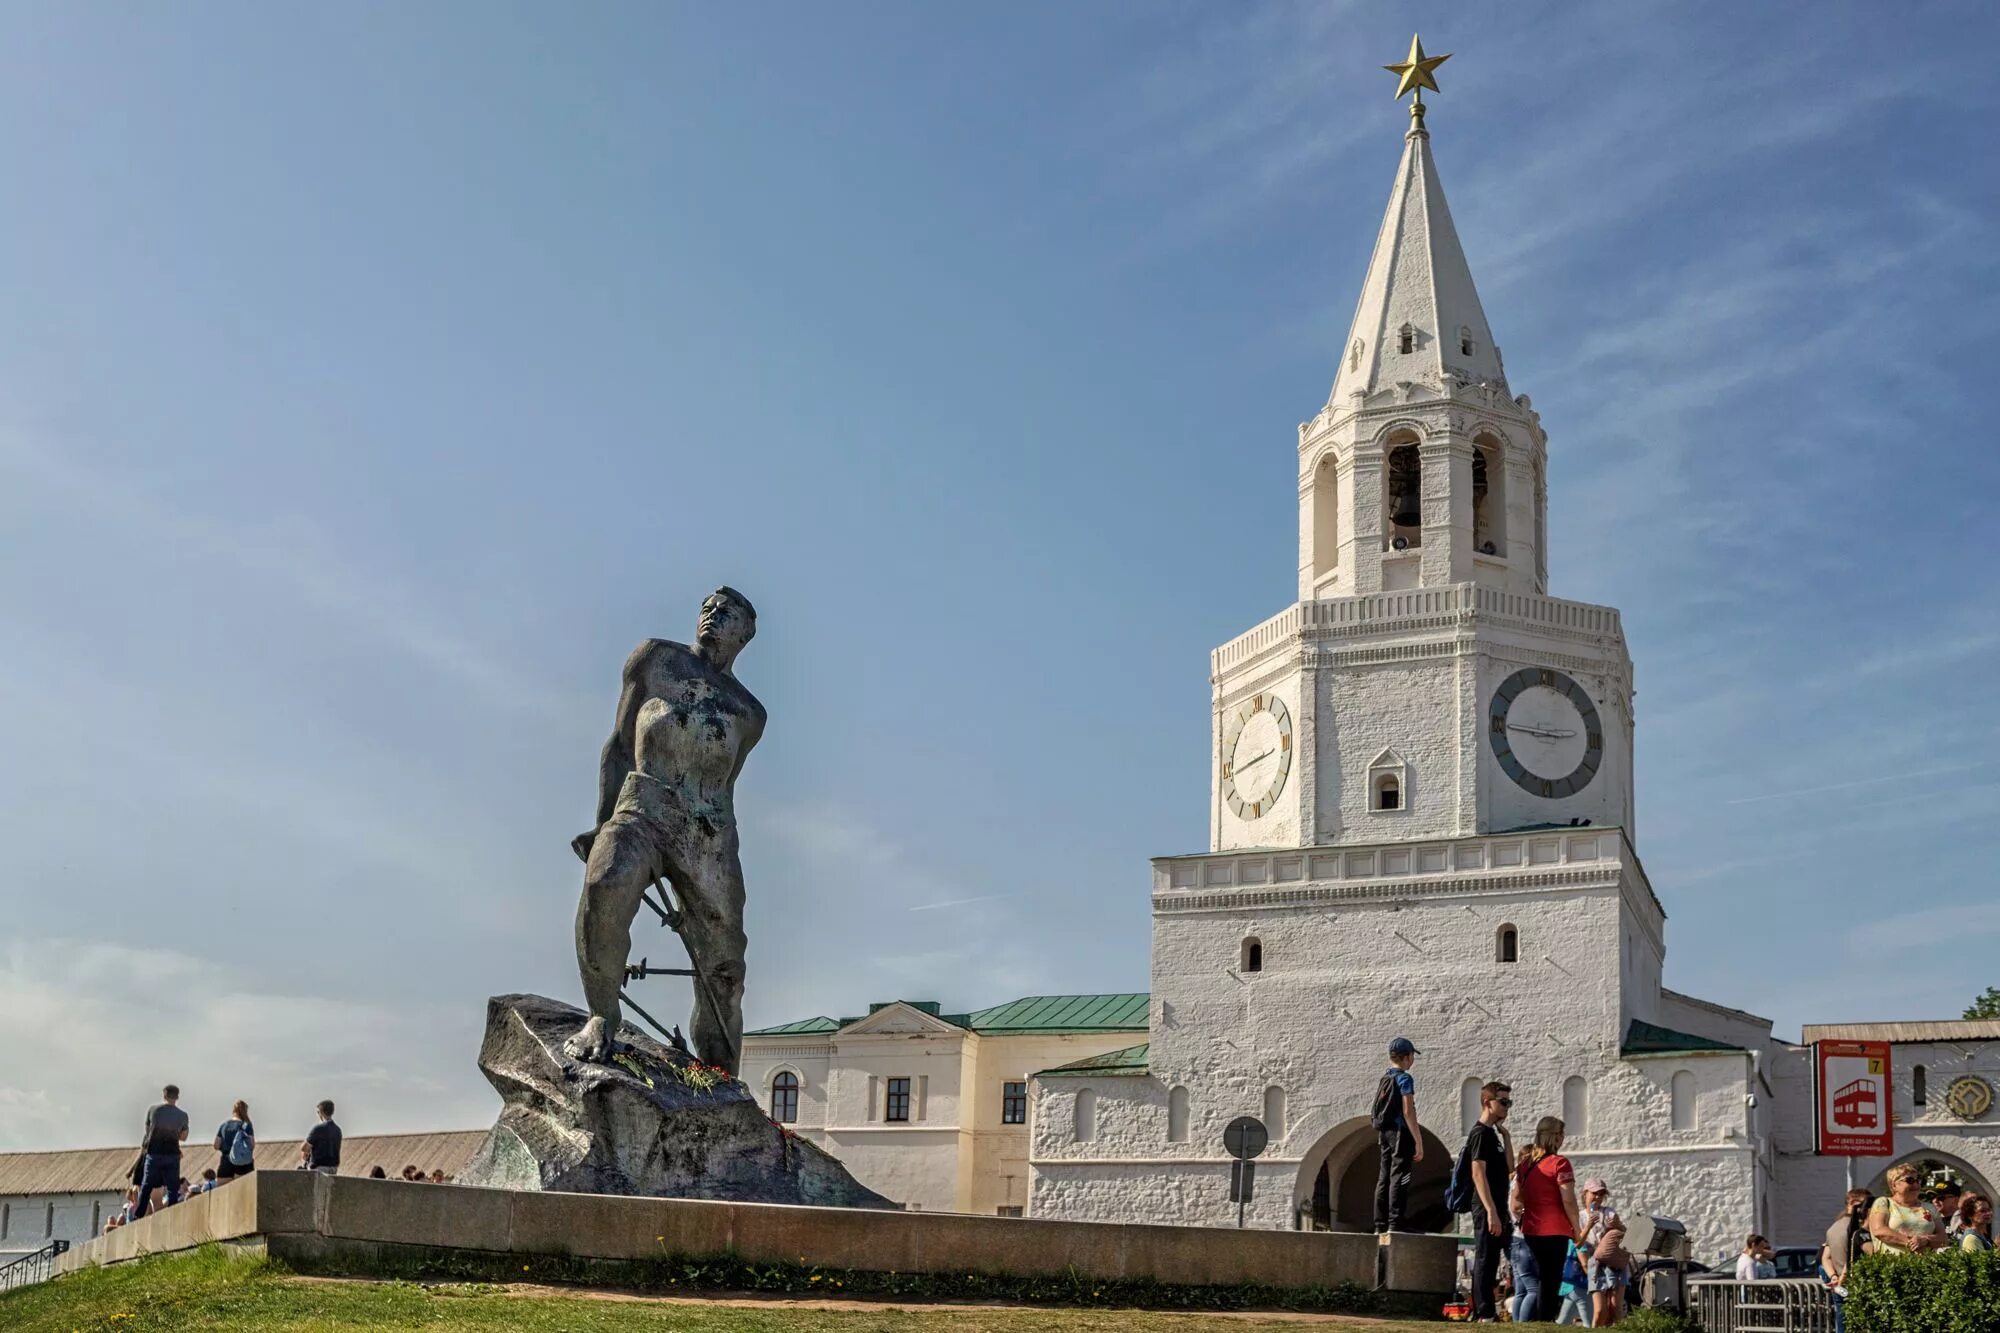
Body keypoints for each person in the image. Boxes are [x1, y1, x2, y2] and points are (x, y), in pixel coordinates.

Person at [566, 588, 765, 1073]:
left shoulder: (750, 712)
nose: (712, 616)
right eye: (708, 608)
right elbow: (618, 746)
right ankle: (602, 1016)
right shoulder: (656, 659)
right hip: (643, 805)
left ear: (746, 633)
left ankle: (720, 1071)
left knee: (724, 965)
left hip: (708, 833)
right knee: (604, 885)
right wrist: (602, 823)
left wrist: (713, 853)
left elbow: (726, 780)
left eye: (727, 613)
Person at [1514, 1116, 1580, 1323]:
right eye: (1561, 1135)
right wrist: (1577, 1227)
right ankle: (1545, 1320)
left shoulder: (1525, 1165)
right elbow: (1568, 1200)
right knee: (1551, 1278)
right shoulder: (1560, 1163)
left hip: (1531, 1228)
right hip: (1555, 1227)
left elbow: (1516, 1199)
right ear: (1556, 1137)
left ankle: (1535, 1321)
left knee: (1537, 1280)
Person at [1464, 1080, 1515, 1321]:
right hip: (1486, 1206)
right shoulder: (1480, 1133)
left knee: (1493, 1257)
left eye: (1509, 1102)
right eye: (1503, 1102)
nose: (1507, 1107)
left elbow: (1510, 1167)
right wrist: (1491, 1211)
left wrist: (1505, 1135)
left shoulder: (1492, 1134)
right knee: (1484, 1257)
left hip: (1497, 1205)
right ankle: (1483, 1312)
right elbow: (1477, 1173)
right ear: (1488, 1102)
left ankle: (1486, 1310)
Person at [1371, 1036, 1424, 1234]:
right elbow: (1408, 1111)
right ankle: (1396, 1222)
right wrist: (1418, 1141)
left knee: (1384, 1176)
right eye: (1412, 1056)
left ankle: (1379, 1224)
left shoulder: (1385, 1078)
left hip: (1385, 1133)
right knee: (1400, 1176)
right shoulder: (1404, 1078)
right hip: (1401, 1133)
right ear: (1407, 1057)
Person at [132, 1084, 190, 1219]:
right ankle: (173, 1212)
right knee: (172, 1186)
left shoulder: (153, 1110)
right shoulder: (182, 1115)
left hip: (154, 1153)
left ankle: (139, 1214)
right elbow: (184, 1137)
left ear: (164, 1095)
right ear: (177, 1097)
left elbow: (147, 1132)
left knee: (146, 1185)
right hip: (172, 1154)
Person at [1821, 1187, 1872, 1333]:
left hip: (1839, 1286)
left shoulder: (1833, 1227)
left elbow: (1825, 1257)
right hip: (1858, 1285)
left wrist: (1834, 1277)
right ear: (1855, 1204)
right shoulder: (1858, 1229)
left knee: (1842, 1325)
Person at [1868, 1163, 1948, 1254]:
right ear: (1894, 1185)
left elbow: (1943, 1238)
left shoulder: (1929, 1207)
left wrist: (1926, 1240)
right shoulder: (1884, 1203)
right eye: (1910, 1180)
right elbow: (1879, 1230)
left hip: (1926, 1264)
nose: (1915, 1184)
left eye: (1917, 1180)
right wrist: (1911, 1242)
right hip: (1892, 1263)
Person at [1578, 1178, 1624, 1326]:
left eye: (1602, 1194)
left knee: (1615, 1309)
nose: (1598, 1197)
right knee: (1600, 1311)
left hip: (1613, 1262)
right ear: (1585, 1194)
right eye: (1595, 1193)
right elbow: (1577, 1243)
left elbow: (1624, 1234)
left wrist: (1617, 1225)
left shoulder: (1608, 1212)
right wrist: (1589, 1225)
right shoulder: (1579, 1217)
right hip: (1595, 1264)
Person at [215, 1100, 256, 1180]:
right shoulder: (246, 1125)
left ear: (233, 1111)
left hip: (226, 1162)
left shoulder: (224, 1126)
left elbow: (216, 1145)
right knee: (244, 1191)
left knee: (222, 1191)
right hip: (243, 1163)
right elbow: (252, 1145)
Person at [1554, 1244, 1592, 1326]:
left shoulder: (1569, 1242)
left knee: (1563, 1322)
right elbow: (1584, 1264)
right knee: (1590, 1324)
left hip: (1569, 1286)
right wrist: (1593, 1281)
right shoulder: (1581, 1244)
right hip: (1581, 1286)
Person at [304, 1100, 342, 1174]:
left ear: (321, 1112)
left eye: (318, 1112)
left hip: (319, 1168)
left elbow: (305, 1148)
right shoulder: (337, 1130)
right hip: (333, 1168)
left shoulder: (318, 1128)